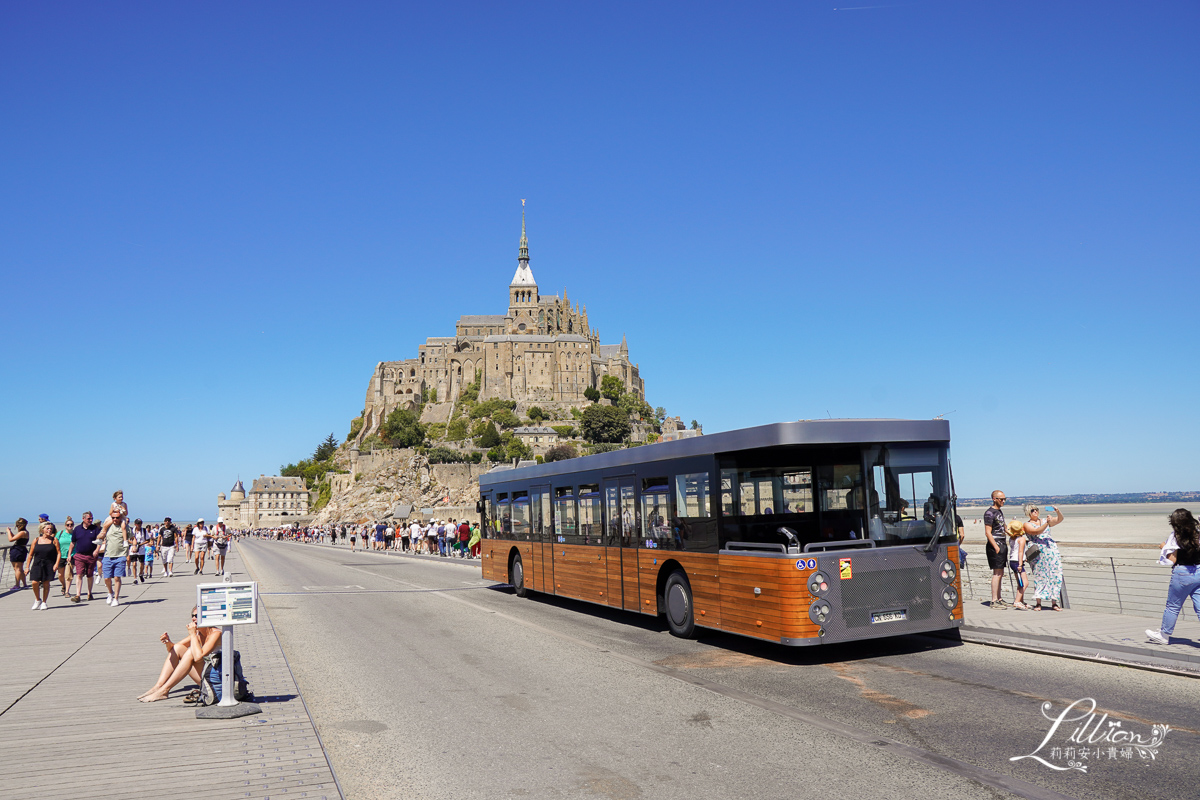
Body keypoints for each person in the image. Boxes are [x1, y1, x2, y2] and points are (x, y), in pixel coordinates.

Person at [137, 606, 223, 703]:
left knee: (191, 651)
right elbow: (174, 649)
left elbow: (199, 657)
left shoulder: (216, 634)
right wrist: (168, 642)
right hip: (206, 675)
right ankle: (159, 686)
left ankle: (164, 690)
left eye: (197, 616)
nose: (194, 618)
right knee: (178, 648)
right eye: (193, 615)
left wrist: (193, 635)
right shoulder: (199, 634)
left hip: (217, 680)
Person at [1146, 509, 1200, 645]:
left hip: (1182, 573)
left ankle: (1164, 635)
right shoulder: (1197, 533)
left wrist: (1164, 547)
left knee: (1173, 606)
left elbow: (1172, 560)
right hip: (1199, 570)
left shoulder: (1176, 536)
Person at [1025, 504, 1064, 611]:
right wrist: (1047, 522)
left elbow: (1059, 520)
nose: (1035, 512)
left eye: (1036, 510)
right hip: (1037, 552)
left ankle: (1054, 602)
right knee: (1039, 575)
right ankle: (1038, 603)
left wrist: (1057, 511)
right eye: (1032, 510)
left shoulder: (1044, 520)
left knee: (1054, 574)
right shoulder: (1027, 524)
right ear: (1028, 512)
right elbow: (1036, 532)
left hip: (1050, 550)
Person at [25, 521, 61, 610]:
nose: (49, 530)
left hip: (48, 563)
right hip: (37, 563)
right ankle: (38, 600)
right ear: (42, 530)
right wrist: (27, 567)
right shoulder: (36, 540)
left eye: (51, 529)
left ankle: (44, 602)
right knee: (34, 582)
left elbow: (59, 553)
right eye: (47, 529)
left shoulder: (54, 540)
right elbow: (30, 554)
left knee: (46, 583)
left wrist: (56, 564)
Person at [982, 490, 1009, 608]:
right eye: (1001, 499)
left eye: (1004, 499)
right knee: (996, 573)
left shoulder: (999, 511)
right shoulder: (989, 513)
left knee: (1001, 572)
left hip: (1002, 542)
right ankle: (994, 600)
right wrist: (996, 546)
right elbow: (988, 532)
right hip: (995, 544)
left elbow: (1004, 527)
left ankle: (999, 597)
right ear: (994, 499)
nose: (1003, 501)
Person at [68, 511, 103, 602]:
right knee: (79, 574)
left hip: (91, 556)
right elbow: (73, 543)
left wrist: (96, 550)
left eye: (91, 518)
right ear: (83, 519)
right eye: (89, 519)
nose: (90, 520)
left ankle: (89, 593)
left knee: (89, 575)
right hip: (79, 555)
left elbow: (99, 541)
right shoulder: (77, 529)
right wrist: (69, 554)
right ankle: (78, 595)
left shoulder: (95, 528)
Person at [101, 513, 133, 606]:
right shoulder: (108, 526)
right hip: (108, 555)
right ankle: (110, 593)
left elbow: (133, 538)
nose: (115, 519)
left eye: (117, 518)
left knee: (117, 577)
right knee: (107, 578)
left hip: (121, 555)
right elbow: (100, 536)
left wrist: (134, 545)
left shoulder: (125, 528)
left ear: (121, 518)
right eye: (113, 517)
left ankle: (116, 598)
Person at [1006, 520, 1031, 610]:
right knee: (1025, 583)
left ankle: (1021, 600)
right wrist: (1020, 564)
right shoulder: (1022, 539)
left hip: (1013, 561)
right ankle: (1017, 601)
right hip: (1017, 562)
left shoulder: (1012, 538)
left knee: (1020, 582)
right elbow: (1020, 552)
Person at [7, 518, 31, 590]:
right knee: (20, 568)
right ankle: (24, 584)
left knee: (17, 569)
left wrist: (8, 532)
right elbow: (15, 537)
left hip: (18, 550)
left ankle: (17, 585)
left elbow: (11, 539)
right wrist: (11, 532)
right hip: (21, 550)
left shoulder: (22, 532)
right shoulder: (25, 532)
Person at [56, 516, 75, 596]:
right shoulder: (60, 533)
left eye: (71, 524)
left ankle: (67, 591)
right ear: (65, 525)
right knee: (60, 575)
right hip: (61, 556)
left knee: (68, 574)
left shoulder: (75, 534)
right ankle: (63, 586)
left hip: (71, 556)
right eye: (68, 525)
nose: (70, 526)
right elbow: (55, 542)